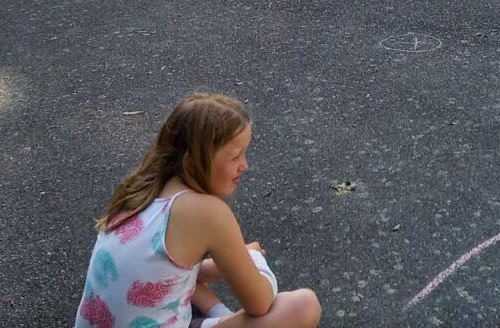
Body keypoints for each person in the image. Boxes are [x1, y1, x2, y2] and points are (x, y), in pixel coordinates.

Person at [74, 92, 321, 328]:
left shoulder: (139, 191)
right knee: (303, 307)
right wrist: (255, 260)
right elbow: (260, 303)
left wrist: (240, 256)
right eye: (235, 156)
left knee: (182, 280)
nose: (245, 165)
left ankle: (219, 314)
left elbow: (162, 274)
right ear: (193, 161)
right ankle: (220, 316)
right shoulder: (208, 213)